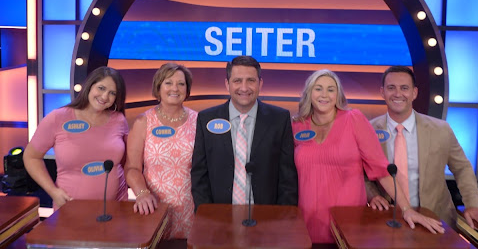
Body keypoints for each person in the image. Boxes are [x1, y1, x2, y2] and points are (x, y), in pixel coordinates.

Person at [292, 69, 444, 244]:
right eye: (318, 88)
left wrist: (406, 208)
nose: (324, 94)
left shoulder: (354, 119)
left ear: (338, 95)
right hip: (306, 224)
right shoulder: (298, 125)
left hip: (347, 223)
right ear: (309, 93)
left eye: (331, 89)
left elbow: (381, 169)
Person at [367, 65, 478, 232]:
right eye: (391, 88)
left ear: (414, 93)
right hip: (389, 220)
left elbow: (462, 169)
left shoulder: (441, 130)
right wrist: (373, 195)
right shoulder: (368, 130)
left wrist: (474, 205)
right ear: (382, 92)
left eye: (404, 88)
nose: (397, 94)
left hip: (436, 220)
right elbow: (360, 174)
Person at [191, 56, 298, 210]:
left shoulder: (279, 119)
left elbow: (288, 178)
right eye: (237, 81)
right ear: (227, 84)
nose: (244, 87)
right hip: (218, 217)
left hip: (267, 218)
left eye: (251, 80)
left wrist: (281, 219)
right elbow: (199, 174)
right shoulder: (207, 118)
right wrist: (207, 214)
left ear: (260, 84)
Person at [23, 66, 128, 209]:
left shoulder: (119, 120)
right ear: (89, 87)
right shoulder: (58, 117)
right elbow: (31, 157)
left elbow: (127, 160)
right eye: (101, 88)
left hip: (116, 206)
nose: (104, 97)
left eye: (112, 93)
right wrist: (53, 191)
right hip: (70, 208)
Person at [124, 63, 197, 239]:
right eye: (168, 83)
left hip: (193, 211)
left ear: (187, 90)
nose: (175, 88)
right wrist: (142, 194)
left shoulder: (199, 121)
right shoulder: (143, 122)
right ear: (158, 87)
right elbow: (132, 168)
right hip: (154, 208)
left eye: (181, 84)